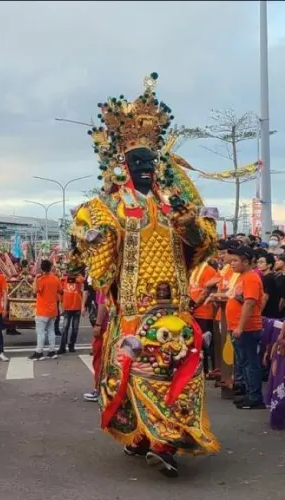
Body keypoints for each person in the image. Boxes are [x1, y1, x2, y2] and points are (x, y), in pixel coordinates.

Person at [70, 73, 219, 477]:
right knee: (140, 373)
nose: (146, 170)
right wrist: (93, 234)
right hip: (134, 308)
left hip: (175, 306)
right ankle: (145, 436)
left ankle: (165, 440)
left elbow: (204, 243)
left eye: (151, 163)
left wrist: (189, 226)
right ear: (123, 165)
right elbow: (90, 245)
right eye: (137, 163)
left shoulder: (174, 203)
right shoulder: (111, 206)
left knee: (178, 373)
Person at [227, 246, 266, 410]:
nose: (231, 264)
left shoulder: (251, 277)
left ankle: (255, 398)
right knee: (244, 363)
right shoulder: (242, 277)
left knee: (250, 364)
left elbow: (249, 303)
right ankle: (249, 394)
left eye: (235, 260)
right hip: (238, 327)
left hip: (247, 329)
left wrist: (240, 327)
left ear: (247, 261)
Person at [29, 260, 63, 360]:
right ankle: (52, 351)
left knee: (40, 332)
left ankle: (39, 351)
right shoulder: (55, 279)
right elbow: (61, 291)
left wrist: (35, 279)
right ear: (50, 267)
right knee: (51, 331)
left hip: (42, 310)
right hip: (53, 310)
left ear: (41, 268)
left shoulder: (40, 280)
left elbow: (35, 292)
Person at [189, 261, 218, 374]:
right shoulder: (193, 269)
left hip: (204, 313)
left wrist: (194, 305)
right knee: (196, 343)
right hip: (193, 313)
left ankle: (208, 370)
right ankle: (201, 370)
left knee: (206, 344)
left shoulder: (209, 270)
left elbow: (206, 291)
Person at [58, 270, 84, 354]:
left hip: (77, 307)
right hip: (67, 308)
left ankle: (71, 345)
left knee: (75, 329)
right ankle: (62, 347)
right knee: (65, 328)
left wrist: (76, 276)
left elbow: (81, 280)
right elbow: (60, 291)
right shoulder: (63, 280)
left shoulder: (79, 279)